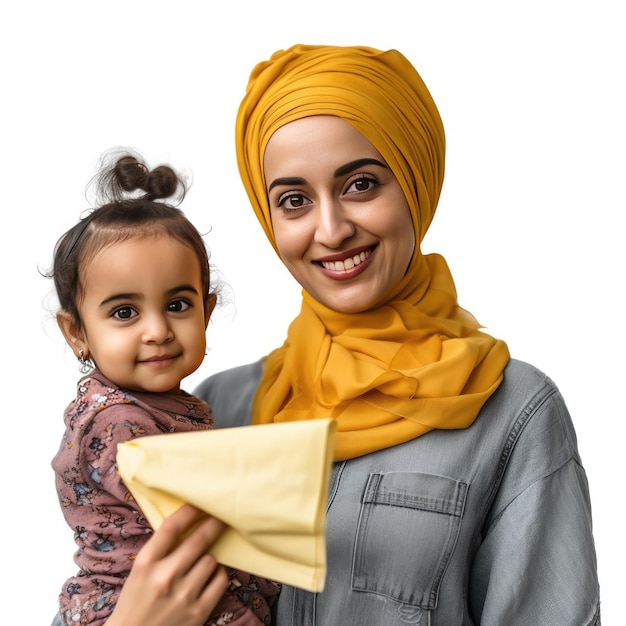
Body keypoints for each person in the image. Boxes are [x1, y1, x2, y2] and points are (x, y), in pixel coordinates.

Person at [51, 44, 601, 625]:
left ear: (415, 182)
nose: (332, 229)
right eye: (293, 200)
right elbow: (102, 567)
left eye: (361, 184)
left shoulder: (511, 413)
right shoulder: (216, 407)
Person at [48, 151, 280, 626]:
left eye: (177, 304)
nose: (157, 330)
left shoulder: (168, 404)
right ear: (76, 333)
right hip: (130, 603)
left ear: (207, 312)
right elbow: (197, 515)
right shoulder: (117, 420)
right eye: (124, 312)